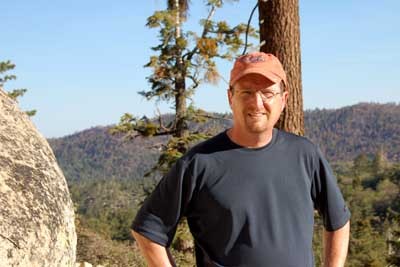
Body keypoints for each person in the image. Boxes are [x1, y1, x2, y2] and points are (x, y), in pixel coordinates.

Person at [131, 52, 351, 267]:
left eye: (267, 93)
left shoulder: (305, 154)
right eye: (246, 92)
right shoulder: (200, 163)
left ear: (283, 100)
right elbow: (148, 231)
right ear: (230, 97)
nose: (257, 103)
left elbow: (338, 221)